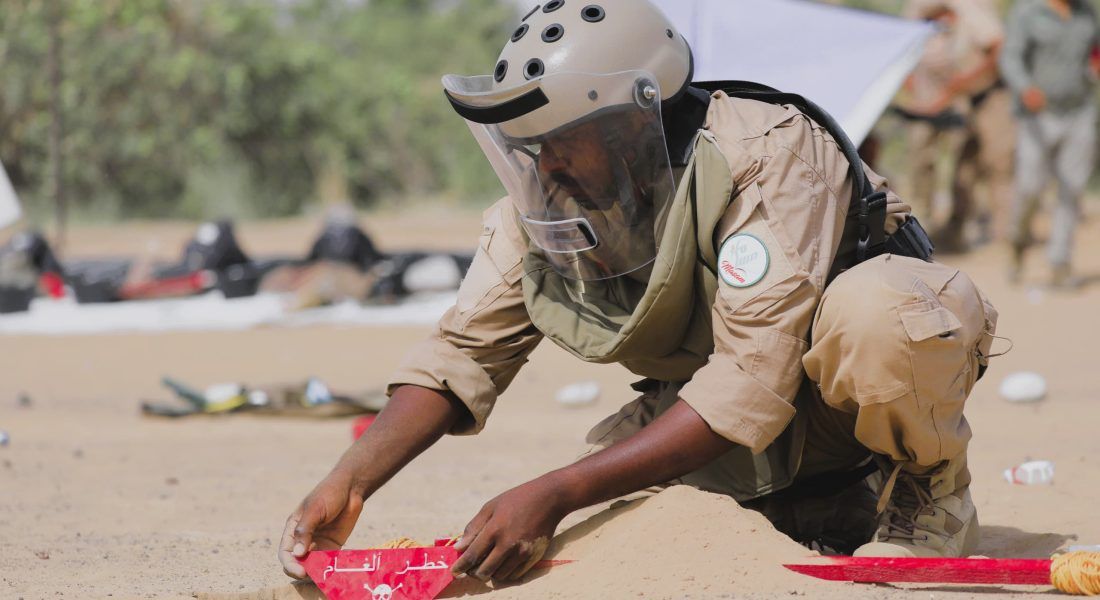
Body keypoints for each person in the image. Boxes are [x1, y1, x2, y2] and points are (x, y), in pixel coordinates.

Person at [279, 0, 1000, 582]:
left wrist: (557, 491)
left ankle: (929, 496)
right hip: (713, 419)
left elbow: (750, 378)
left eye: (561, 138)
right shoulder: (550, 196)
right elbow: (464, 350)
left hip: (825, 397)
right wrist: (351, 481)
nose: (544, 161)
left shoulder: (767, 151)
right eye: (530, 144)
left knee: (877, 313)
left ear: (631, 120)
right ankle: (815, 504)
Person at [1001, 0, 1100, 288]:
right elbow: (1011, 57)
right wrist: (1024, 88)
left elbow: (1093, 51)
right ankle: (1018, 242)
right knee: (1030, 186)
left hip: (1079, 111)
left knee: (1072, 186)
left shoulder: (1085, 13)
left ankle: (1060, 262)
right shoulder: (1027, 12)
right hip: (1037, 115)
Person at [902, 0, 1014, 251]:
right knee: (929, 162)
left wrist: (962, 84)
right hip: (936, 96)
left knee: (981, 166)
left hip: (974, 97)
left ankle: (996, 233)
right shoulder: (915, 13)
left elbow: (995, 47)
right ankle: (927, 225)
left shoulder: (972, 12)